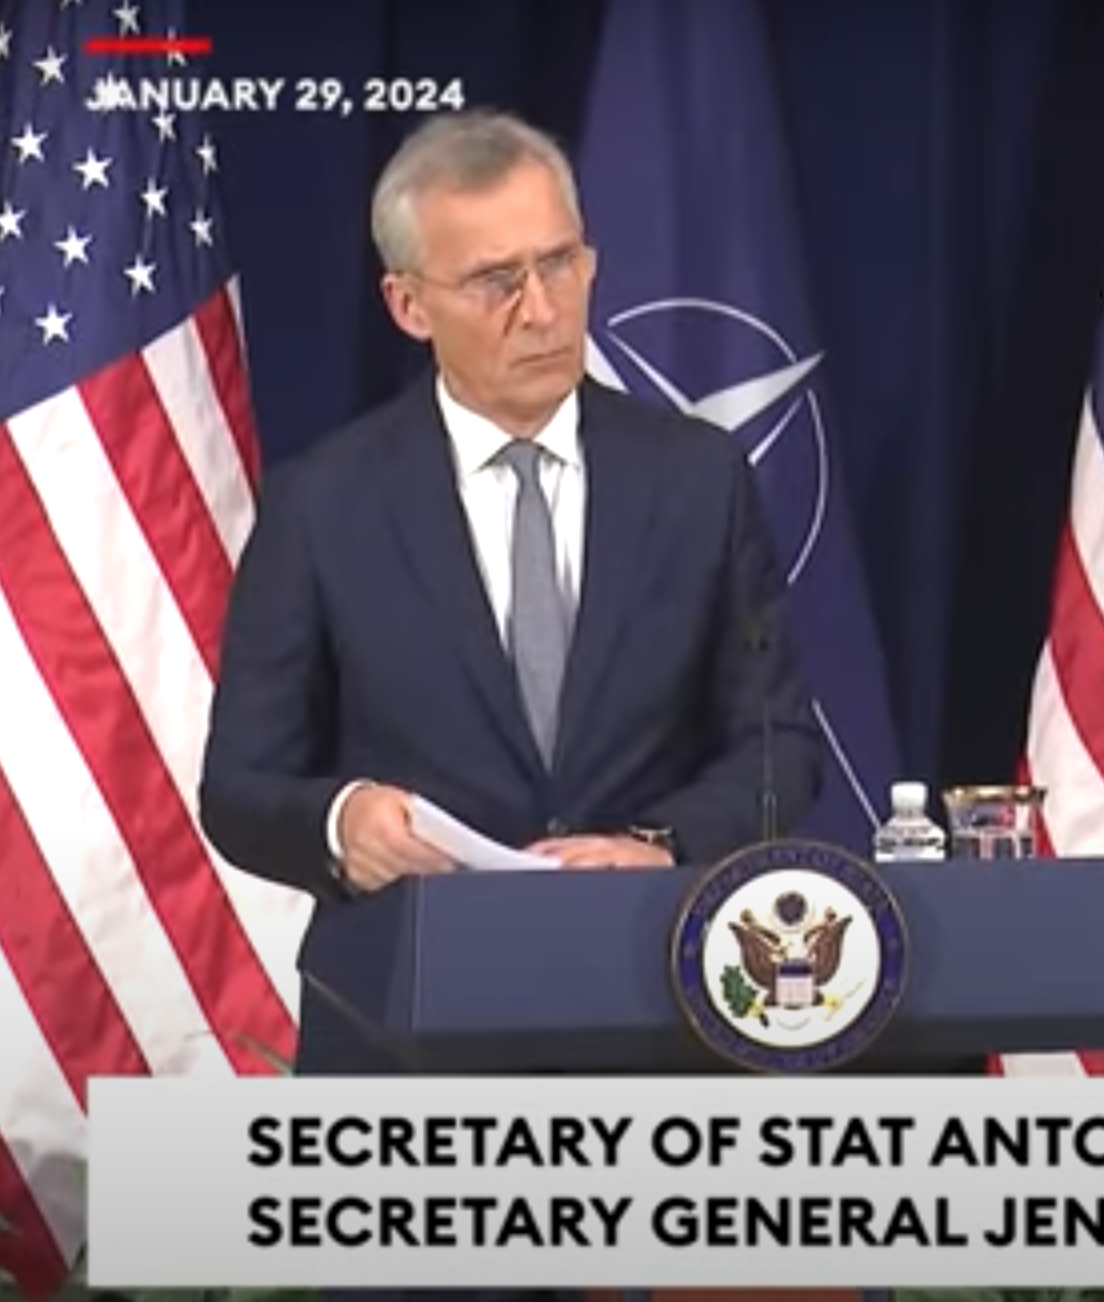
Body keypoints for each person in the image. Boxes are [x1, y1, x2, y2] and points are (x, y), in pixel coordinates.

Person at [200, 109, 823, 901]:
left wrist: (660, 846)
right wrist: (342, 819)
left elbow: (779, 746)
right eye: (496, 282)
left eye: (559, 263)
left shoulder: (700, 477)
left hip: (642, 952)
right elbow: (241, 785)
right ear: (409, 306)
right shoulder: (322, 504)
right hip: (416, 963)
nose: (541, 311)